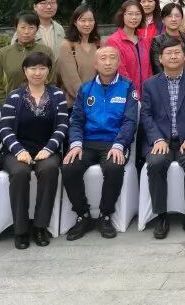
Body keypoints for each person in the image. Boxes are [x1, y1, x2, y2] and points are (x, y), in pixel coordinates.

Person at [60, 46, 138, 241]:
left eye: (112, 58)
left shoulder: (127, 87)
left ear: (119, 62)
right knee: (69, 166)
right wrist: (75, 143)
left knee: (113, 167)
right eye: (103, 58)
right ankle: (83, 215)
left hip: (114, 142)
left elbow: (130, 121)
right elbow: (76, 120)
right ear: (95, 64)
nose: (108, 62)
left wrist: (120, 144)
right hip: (87, 143)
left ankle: (105, 215)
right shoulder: (86, 89)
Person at [0, 52, 68, 249]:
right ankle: (20, 230)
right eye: (33, 68)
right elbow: (5, 129)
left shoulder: (57, 95)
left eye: (42, 68)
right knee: (20, 173)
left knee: (49, 170)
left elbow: (62, 126)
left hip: (46, 150)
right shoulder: (14, 96)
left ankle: (40, 226)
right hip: (16, 151)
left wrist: (49, 148)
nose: (37, 73)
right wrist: (19, 151)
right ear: (24, 71)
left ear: (48, 71)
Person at [140, 36, 185, 239]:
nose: (173, 56)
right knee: (156, 163)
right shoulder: (150, 84)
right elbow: (146, 115)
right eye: (168, 53)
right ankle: (161, 216)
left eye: (177, 52)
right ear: (160, 59)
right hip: (161, 140)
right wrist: (157, 139)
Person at [0, 12, 55, 104]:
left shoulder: (46, 51)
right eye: (22, 27)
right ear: (16, 28)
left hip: (41, 105)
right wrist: (7, 104)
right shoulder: (3, 53)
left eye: (31, 28)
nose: (26, 32)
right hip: (12, 104)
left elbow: (52, 80)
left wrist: (43, 104)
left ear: (37, 29)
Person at [58, 4, 101, 108]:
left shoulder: (98, 45)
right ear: (75, 22)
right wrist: (90, 101)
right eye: (83, 20)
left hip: (98, 103)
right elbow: (72, 82)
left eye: (90, 20)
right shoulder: (67, 46)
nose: (87, 24)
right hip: (75, 105)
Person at [106, 0, 151, 89]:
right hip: (125, 92)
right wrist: (132, 93)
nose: (134, 17)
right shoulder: (114, 41)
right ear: (122, 15)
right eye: (130, 14)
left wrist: (149, 90)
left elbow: (149, 69)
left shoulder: (143, 41)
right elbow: (120, 72)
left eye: (137, 14)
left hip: (145, 93)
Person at [150, 3, 185, 77]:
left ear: (182, 18)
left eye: (177, 16)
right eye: (169, 16)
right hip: (166, 80)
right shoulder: (157, 41)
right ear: (163, 20)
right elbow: (157, 68)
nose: (173, 19)